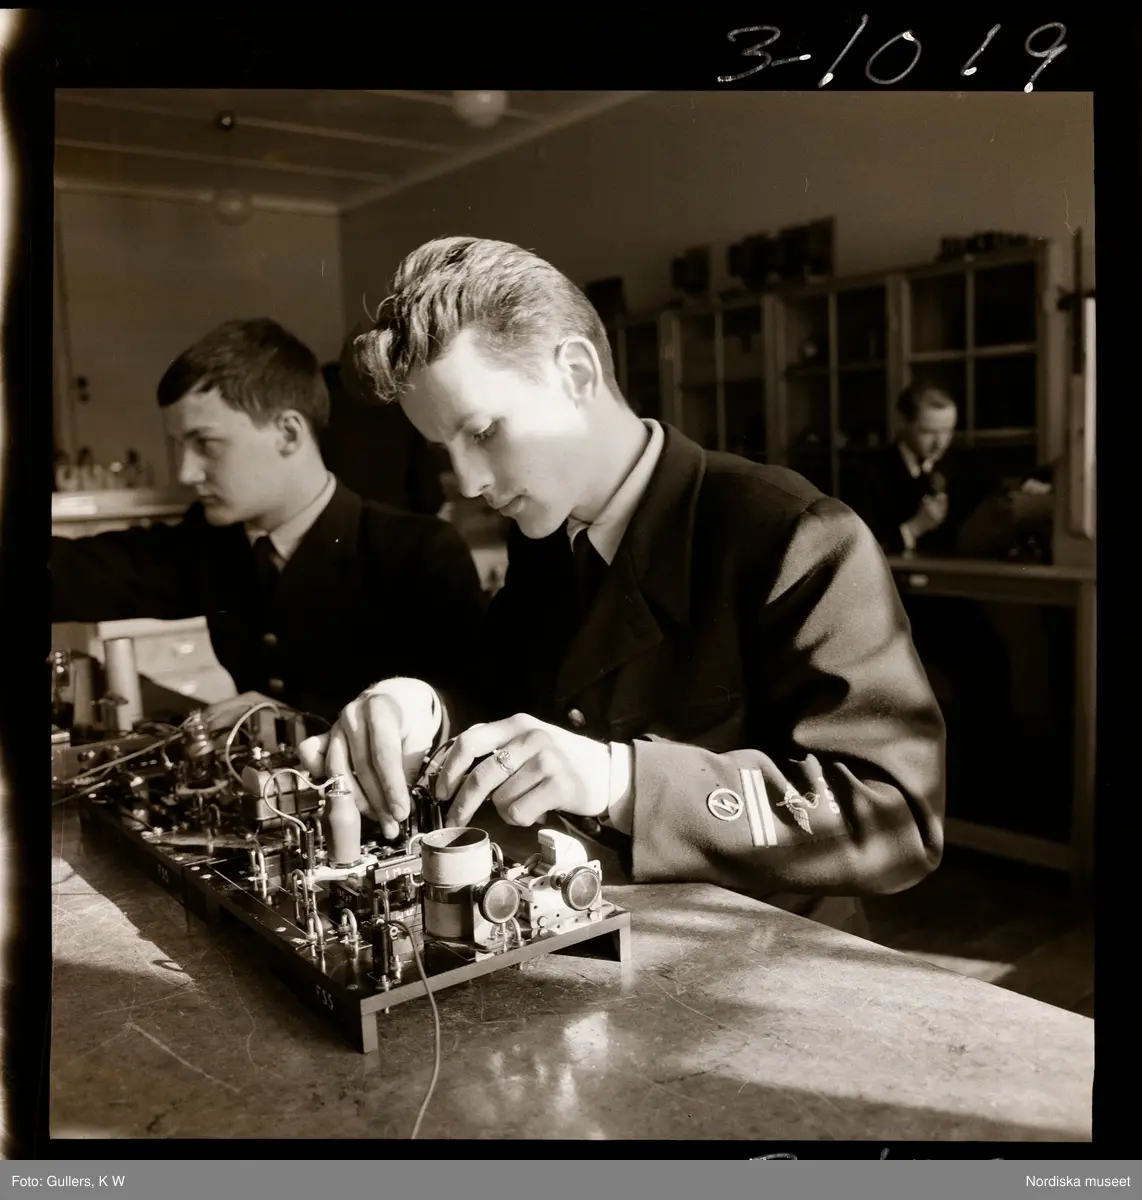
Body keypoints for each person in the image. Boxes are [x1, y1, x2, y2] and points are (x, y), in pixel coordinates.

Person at [299, 238, 946, 934]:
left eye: (483, 432)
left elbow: (897, 819)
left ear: (576, 373)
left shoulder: (793, 532)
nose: (469, 482)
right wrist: (421, 707)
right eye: (443, 450)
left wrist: (622, 780)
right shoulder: (545, 538)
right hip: (597, 939)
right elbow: (501, 697)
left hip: (768, 956)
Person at [51, 318, 487, 723]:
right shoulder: (214, 542)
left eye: (206, 444)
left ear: (288, 434)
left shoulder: (417, 553)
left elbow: (467, 711)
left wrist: (296, 721)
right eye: (180, 445)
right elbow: (77, 573)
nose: (186, 473)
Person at [847, 384, 976, 557]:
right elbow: (857, 549)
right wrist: (915, 528)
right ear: (902, 423)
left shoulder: (963, 467)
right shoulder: (868, 472)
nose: (940, 443)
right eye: (928, 432)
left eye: (947, 431)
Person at [318, 359, 447, 516]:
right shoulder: (396, 413)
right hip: (397, 520)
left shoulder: (319, 422)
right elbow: (429, 497)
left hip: (339, 521)